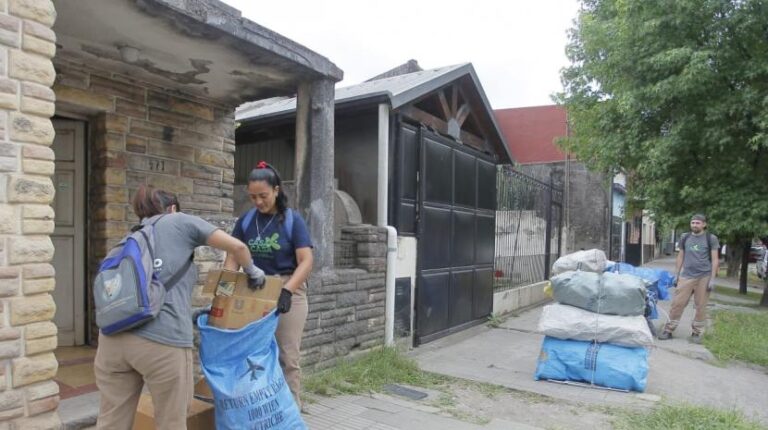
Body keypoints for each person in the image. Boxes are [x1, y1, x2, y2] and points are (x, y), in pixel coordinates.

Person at [95, 185, 266, 430]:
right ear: (173, 208)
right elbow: (237, 248)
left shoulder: (128, 239)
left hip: (111, 342)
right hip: (162, 341)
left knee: (111, 422)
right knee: (171, 422)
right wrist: (253, 271)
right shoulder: (179, 221)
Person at [224, 161, 313, 409]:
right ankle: (261, 409)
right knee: (253, 354)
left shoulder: (293, 220)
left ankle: (291, 413)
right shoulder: (246, 221)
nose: (258, 202)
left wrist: (287, 290)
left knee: (287, 356)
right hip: (255, 289)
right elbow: (232, 255)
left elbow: (306, 261)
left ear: (276, 190)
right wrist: (225, 289)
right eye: (252, 197)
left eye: (263, 196)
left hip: (289, 289)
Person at [658, 214, 719, 343]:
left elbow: (715, 260)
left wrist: (712, 279)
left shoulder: (711, 238)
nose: (695, 225)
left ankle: (696, 333)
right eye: (693, 223)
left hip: (704, 276)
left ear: (704, 224)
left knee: (700, 306)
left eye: (697, 223)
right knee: (677, 304)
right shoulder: (685, 237)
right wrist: (676, 274)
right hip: (686, 276)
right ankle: (668, 330)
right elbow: (680, 256)